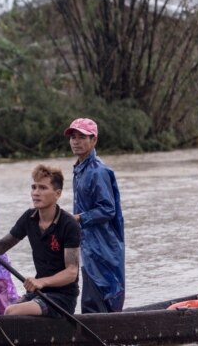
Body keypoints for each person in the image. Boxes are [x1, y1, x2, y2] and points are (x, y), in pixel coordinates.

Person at [0, 164, 81, 317]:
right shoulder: (29, 217)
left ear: (57, 193)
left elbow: (71, 273)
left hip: (63, 298)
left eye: (42, 188)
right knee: (3, 312)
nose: (36, 193)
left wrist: (42, 282)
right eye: (33, 187)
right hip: (38, 293)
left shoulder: (69, 224)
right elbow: (0, 247)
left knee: (11, 312)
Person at [67, 117, 125, 313]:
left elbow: (108, 209)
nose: (76, 141)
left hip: (102, 245)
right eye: (73, 137)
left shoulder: (98, 171)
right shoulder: (80, 169)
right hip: (89, 243)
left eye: (82, 137)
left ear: (94, 140)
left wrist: (79, 218)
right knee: (92, 293)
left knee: (99, 293)